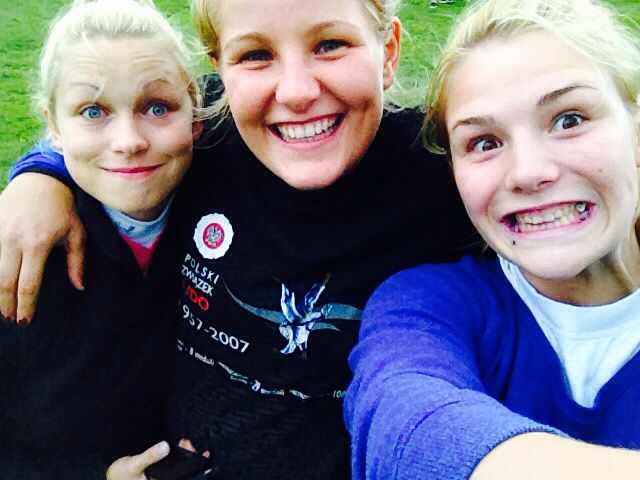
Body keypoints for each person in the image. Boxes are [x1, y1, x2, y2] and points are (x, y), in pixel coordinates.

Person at [0, 0, 479, 478]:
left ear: (388, 51)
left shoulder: (442, 173)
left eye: (330, 45)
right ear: (220, 72)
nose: (296, 92)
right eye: (255, 55)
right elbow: (112, 122)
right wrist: (41, 176)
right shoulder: (208, 140)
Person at [345, 0, 640, 478]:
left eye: (569, 120)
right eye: (484, 143)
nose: (528, 172)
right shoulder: (427, 305)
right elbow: (408, 429)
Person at [0, 0, 207, 478]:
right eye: (93, 111)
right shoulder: (20, 254)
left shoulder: (221, 185)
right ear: (53, 126)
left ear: (195, 114)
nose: (129, 141)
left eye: (157, 107)